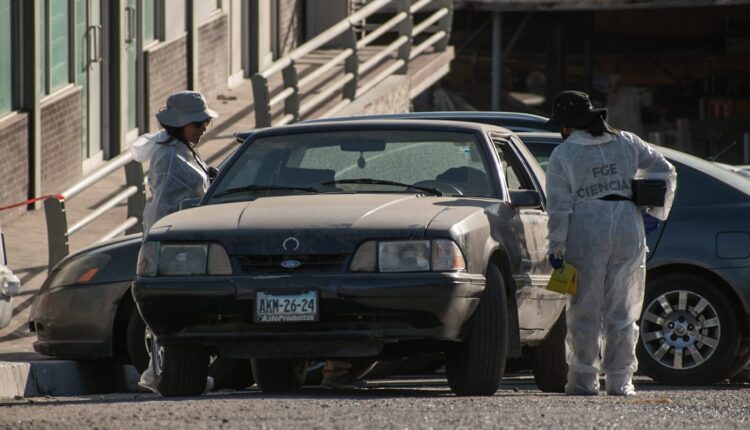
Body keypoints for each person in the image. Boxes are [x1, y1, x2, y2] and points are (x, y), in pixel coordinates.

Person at [544, 90, 677, 396]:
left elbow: (559, 206)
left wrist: (556, 247)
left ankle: (583, 379)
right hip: (628, 227)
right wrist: (656, 212)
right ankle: (620, 380)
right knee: (623, 308)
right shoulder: (628, 142)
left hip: (585, 231)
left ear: (567, 124)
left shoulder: (563, 155)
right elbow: (665, 170)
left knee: (583, 308)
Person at [129, 90, 218, 394]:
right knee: (170, 314)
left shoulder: (181, 149)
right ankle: (165, 372)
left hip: (180, 237)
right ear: (179, 124)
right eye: (197, 122)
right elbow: (171, 201)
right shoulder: (170, 155)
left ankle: (168, 372)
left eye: (204, 121)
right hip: (173, 240)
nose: (203, 127)